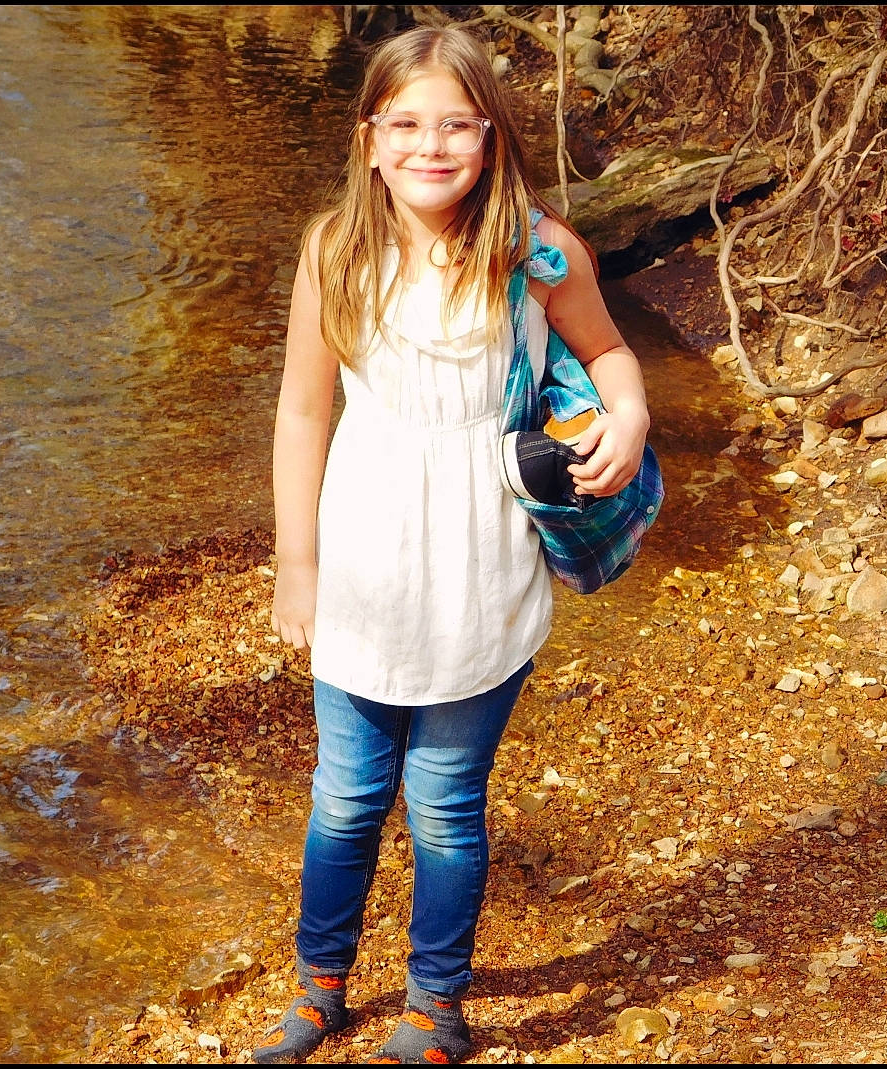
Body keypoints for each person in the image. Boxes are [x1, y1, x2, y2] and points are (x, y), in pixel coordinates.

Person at [258, 23, 651, 1066]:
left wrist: (633, 416)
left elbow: (608, 350)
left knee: (442, 804)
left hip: (482, 564)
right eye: (408, 125)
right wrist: (299, 565)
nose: (432, 147)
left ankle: (435, 1002)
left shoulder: (536, 247)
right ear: (371, 136)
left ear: (490, 136)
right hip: (365, 564)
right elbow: (304, 413)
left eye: (457, 127)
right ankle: (322, 983)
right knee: (343, 797)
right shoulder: (332, 249)